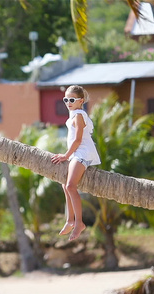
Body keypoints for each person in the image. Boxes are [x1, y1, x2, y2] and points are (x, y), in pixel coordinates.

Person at [51, 85, 101, 241]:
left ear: (81, 101)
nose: (68, 102)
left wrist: (66, 155)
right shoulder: (74, 114)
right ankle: (70, 220)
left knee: (71, 186)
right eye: (66, 99)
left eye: (71, 99)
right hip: (76, 153)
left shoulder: (79, 115)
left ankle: (79, 223)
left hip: (82, 153)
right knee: (64, 185)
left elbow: (78, 139)